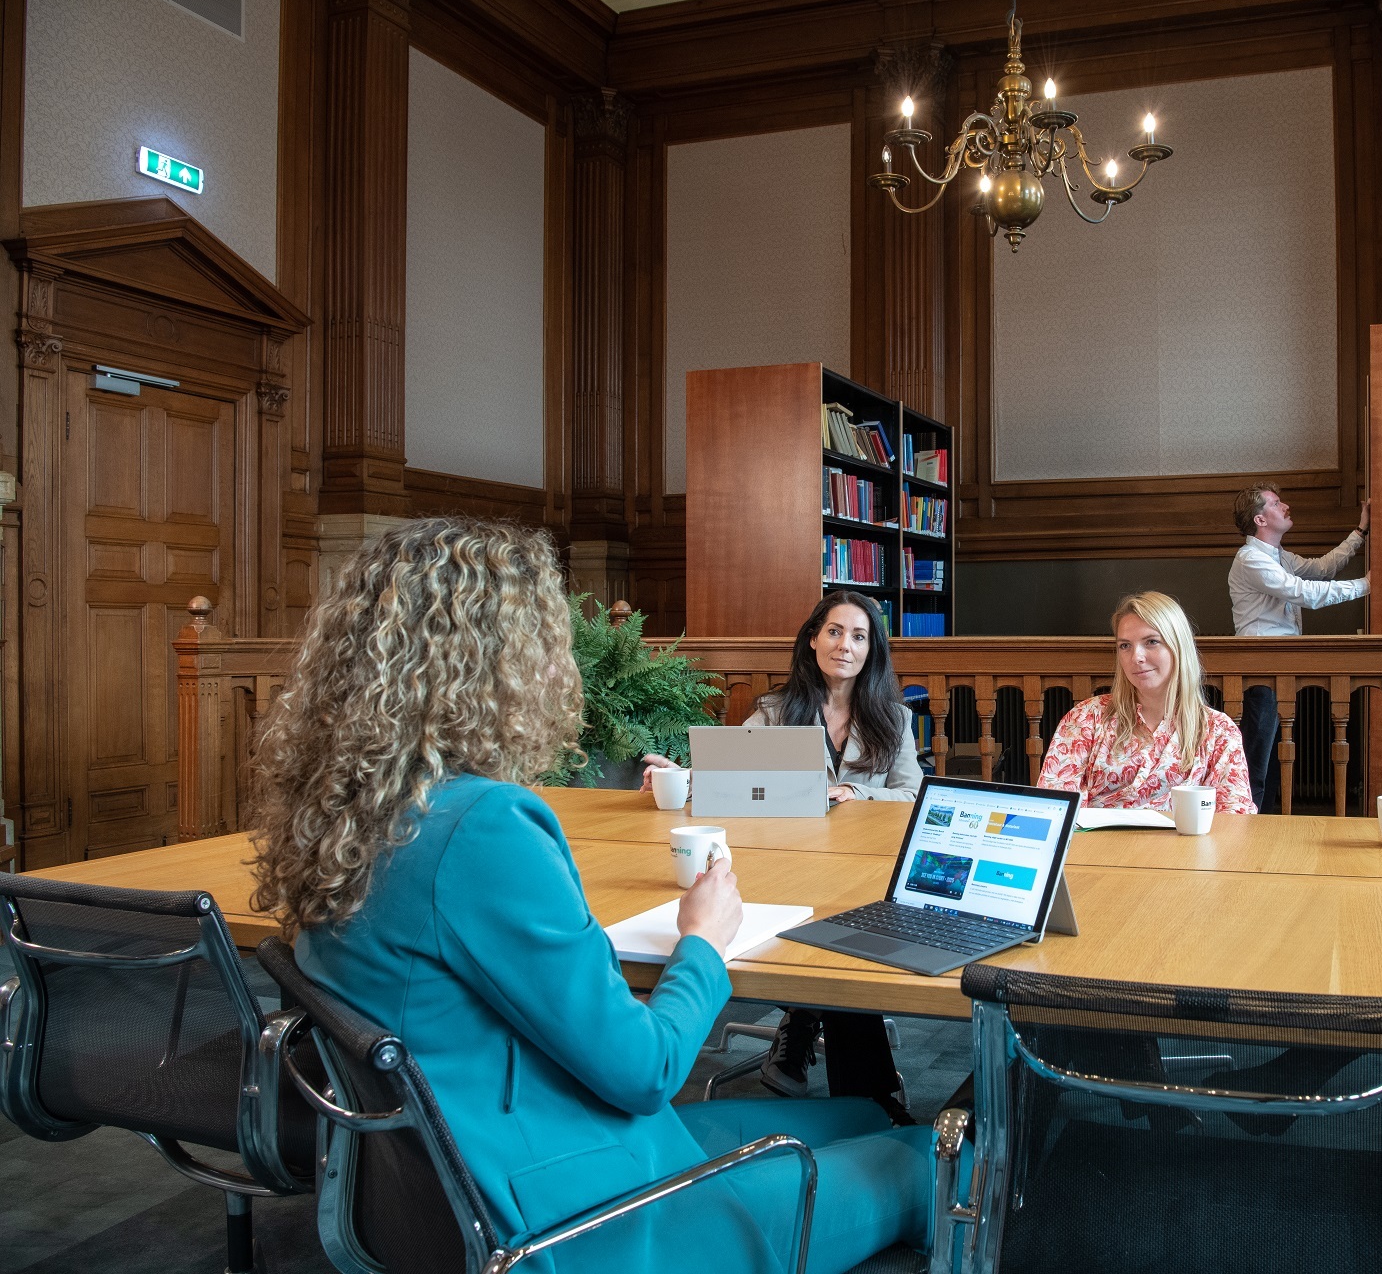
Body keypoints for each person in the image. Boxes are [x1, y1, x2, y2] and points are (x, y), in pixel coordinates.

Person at [250, 519, 940, 1274]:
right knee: (929, 1151)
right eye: (544, 640)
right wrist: (703, 939)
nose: (559, 664)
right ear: (497, 662)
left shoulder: (343, 812)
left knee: (860, 1112)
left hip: (469, 1165)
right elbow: (646, 1070)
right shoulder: (484, 828)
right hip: (576, 1217)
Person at [642, 591, 921, 1110]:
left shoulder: (895, 720)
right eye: (834, 631)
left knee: (841, 933)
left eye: (858, 636)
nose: (844, 645)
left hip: (864, 868)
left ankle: (801, 1022)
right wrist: (683, 777)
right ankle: (869, 1104)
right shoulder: (775, 712)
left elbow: (912, 796)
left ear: (872, 650)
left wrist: (856, 792)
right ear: (813, 639)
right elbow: (731, 774)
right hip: (791, 863)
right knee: (834, 947)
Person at [1038, 590, 1257, 814]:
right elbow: (1053, 808)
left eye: (1151, 642)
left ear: (1178, 647)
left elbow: (1235, 818)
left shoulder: (1218, 731)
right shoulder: (1086, 718)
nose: (1136, 657)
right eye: (1125, 646)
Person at [1227, 484, 1371, 812]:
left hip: (1281, 665)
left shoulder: (1279, 557)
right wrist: (1366, 585)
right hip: (1261, 668)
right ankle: (1246, 824)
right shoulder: (1250, 559)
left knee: (1275, 759)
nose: (1286, 506)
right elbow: (1304, 593)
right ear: (1260, 519)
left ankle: (1265, 824)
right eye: (1277, 503)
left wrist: (1360, 531)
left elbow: (1322, 569)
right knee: (1258, 759)